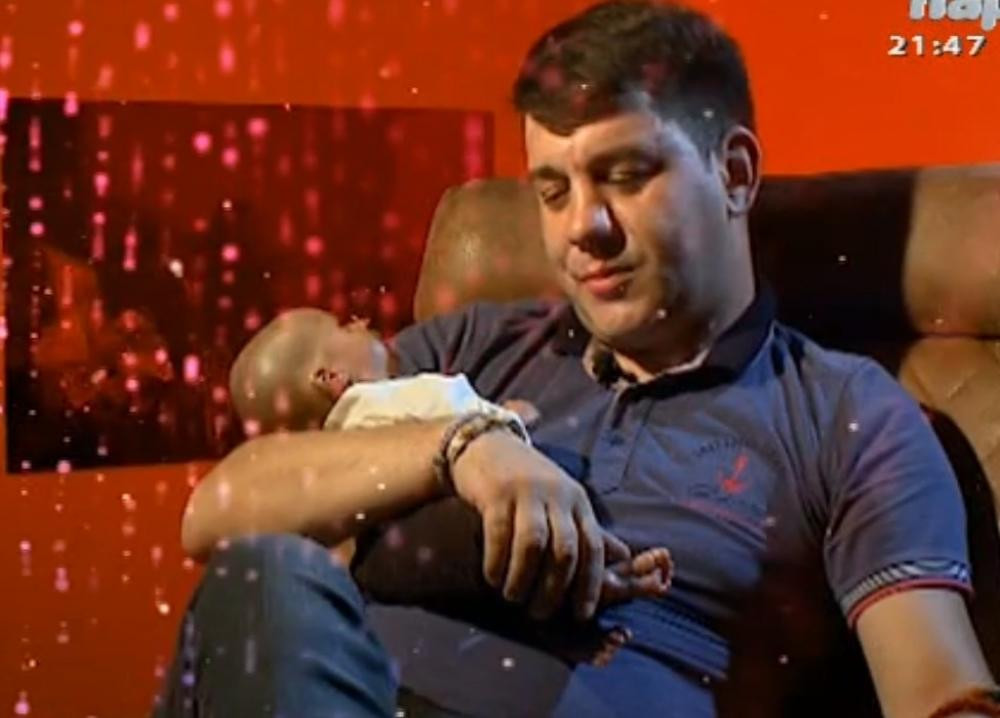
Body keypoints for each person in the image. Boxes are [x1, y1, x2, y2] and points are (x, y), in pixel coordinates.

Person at [157, 2, 998, 717]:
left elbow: (937, 690)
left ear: (736, 174)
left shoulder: (849, 413)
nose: (580, 229)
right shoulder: (476, 347)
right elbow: (221, 509)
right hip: (361, 690)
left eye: (624, 176)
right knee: (267, 579)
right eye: (553, 191)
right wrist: (467, 447)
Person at [222, 306, 675, 665]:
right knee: (536, 527)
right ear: (331, 379)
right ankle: (602, 581)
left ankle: (579, 608)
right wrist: (511, 417)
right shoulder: (382, 397)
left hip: (391, 573)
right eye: (344, 327)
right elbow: (453, 407)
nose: (360, 322)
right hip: (461, 527)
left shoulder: (329, 459)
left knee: (494, 587)